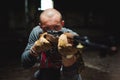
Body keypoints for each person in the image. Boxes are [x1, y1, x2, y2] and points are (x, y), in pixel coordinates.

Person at [21, 8, 85, 80]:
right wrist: (35, 49)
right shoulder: (37, 32)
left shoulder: (70, 37)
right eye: (47, 28)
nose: (52, 32)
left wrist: (68, 56)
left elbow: (72, 76)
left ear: (62, 24)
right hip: (46, 73)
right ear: (40, 26)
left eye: (56, 27)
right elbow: (25, 64)